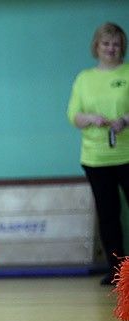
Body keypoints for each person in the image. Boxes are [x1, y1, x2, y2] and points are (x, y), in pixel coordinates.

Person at [67, 22, 129, 285]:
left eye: (116, 44)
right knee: (108, 215)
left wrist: (124, 120)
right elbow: (74, 115)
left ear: (122, 47)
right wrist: (91, 118)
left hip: (126, 155)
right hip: (95, 158)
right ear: (97, 46)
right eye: (106, 43)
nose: (110, 48)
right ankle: (118, 271)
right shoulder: (84, 78)